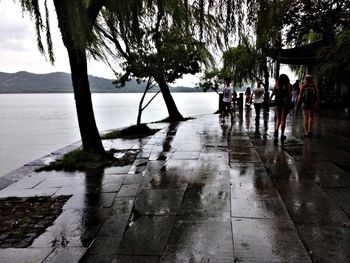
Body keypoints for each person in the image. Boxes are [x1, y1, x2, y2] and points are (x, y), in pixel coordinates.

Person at [269, 74, 292, 142]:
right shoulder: (288, 85)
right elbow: (290, 95)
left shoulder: (277, 85)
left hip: (277, 101)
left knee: (278, 118)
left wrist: (269, 100)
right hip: (284, 102)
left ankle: (276, 130)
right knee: (283, 118)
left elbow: (273, 93)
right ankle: (282, 134)